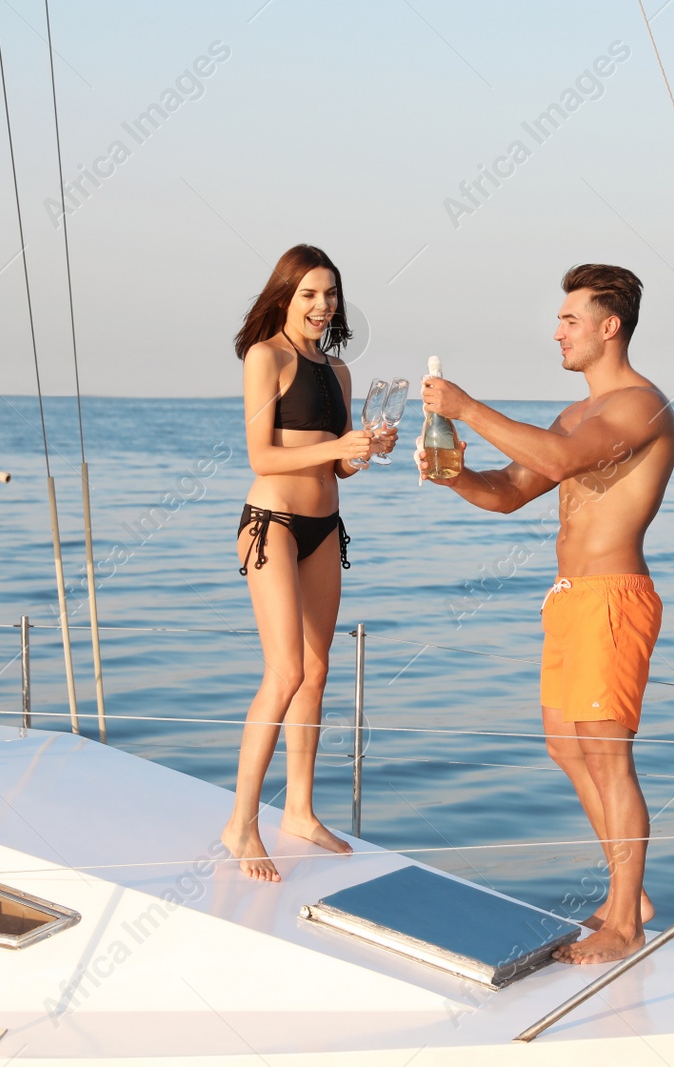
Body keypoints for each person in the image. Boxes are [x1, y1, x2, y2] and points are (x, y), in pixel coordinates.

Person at [419, 263, 674, 964]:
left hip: (614, 599)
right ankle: (634, 893)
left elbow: (562, 461)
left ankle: (624, 920)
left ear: (609, 326)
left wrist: (469, 408)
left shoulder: (640, 407)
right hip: (568, 599)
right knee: (567, 746)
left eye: (570, 319)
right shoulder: (574, 413)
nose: (557, 330)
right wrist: (455, 475)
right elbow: (509, 490)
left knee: (606, 752)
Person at [223, 244, 395, 882]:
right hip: (273, 523)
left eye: (331, 295)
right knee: (286, 669)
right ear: (285, 296)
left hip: (326, 525)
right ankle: (241, 823)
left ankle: (298, 808)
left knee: (318, 670)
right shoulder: (264, 357)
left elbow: (339, 465)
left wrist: (363, 451)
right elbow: (261, 457)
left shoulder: (341, 373)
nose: (323, 306)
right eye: (310, 295)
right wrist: (335, 444)